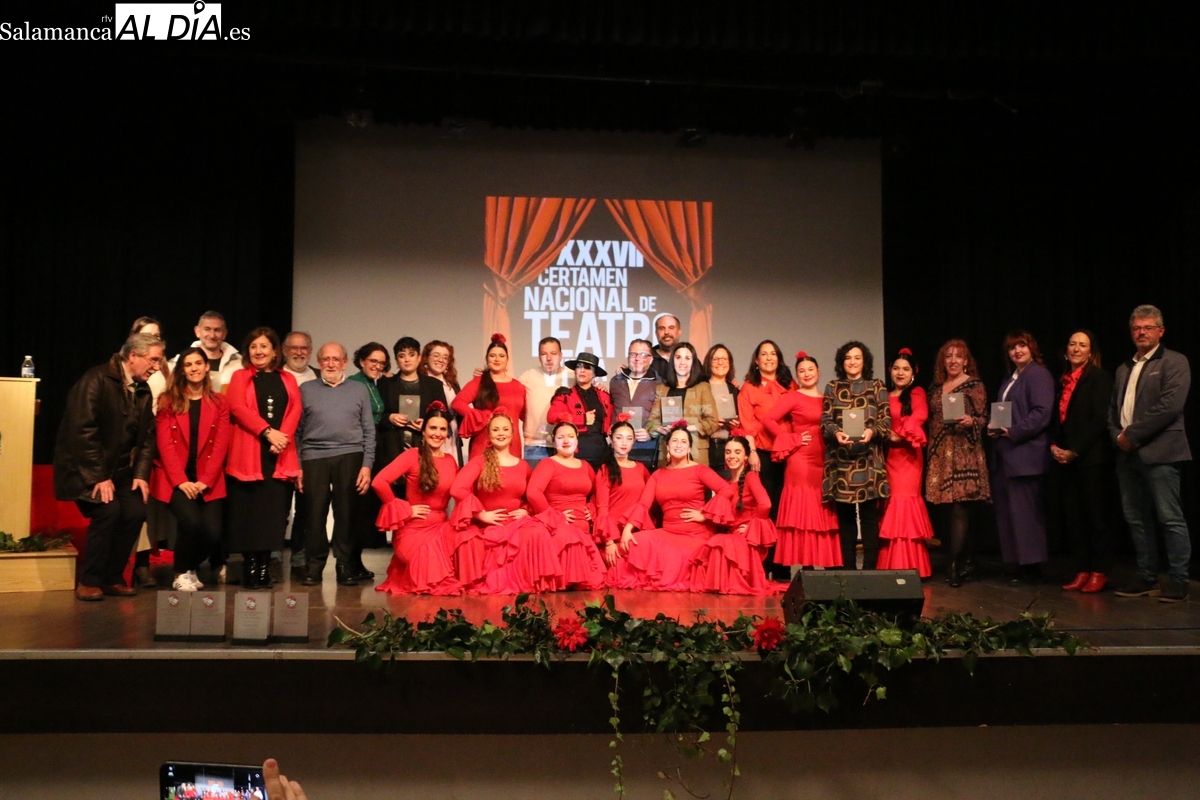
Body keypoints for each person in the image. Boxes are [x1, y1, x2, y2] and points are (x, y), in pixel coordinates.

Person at [55, 332, 165, 601]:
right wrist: (98, 477)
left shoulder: (142, 389)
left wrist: (140, 474)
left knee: (135, 511)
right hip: (85, 469)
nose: (157, 367)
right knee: (108, 510)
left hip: (120, 472)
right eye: (153, 360)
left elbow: (148, 436)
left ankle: (112, 577)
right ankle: (89, 580)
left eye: (159, 361)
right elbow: (82, 432)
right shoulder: (96, 380)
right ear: (133, 356)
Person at [1110, 305, 1192, 603]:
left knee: (1170, 518)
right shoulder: (1124, 368)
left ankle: (1179, 579)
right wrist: (1117, 436)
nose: (1141, 332)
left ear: (1160, 331)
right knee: (1136, 519)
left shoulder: (1174, 362)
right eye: (1136, 328)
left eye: (1147, 327)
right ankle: (1147, 577)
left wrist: (1131, 436)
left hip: (1161, 453)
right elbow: (1114, 411)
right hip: (1127, 455)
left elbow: (1169, 407)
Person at [448, 409, 560, 593]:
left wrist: (526, 510)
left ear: (512, 433)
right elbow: (457, 489)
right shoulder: (479, 461)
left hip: (516, 523)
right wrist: (481, 514)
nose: (501, 433)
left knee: (538, 533)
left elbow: (529, 496)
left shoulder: (523, 465)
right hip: (490, 525)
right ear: (489, 434)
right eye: (496, 429)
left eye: (505, 429)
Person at [618, 421, 737, 590]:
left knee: (677, 558)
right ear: (667, 446)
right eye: (674, 441)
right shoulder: (658, 474)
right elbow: (643, 504)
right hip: (668, 531)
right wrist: (627, 529)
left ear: (689, 448)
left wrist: (704, 514)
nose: (678, 445)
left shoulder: (699, 470)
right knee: (633, 543)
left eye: (683, 442)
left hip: (695, 533)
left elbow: (726, 490)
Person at [225, 327, 302, 590]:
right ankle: (251, 569)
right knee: (250, 517)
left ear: (274, 352)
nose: (258, 351)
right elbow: (237, 408)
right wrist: (268, 433)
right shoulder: (239, 377)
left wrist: (282, 438)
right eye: (253, 347)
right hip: (250, 454)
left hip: (279, 456)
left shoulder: (288, 379)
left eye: (264, 347)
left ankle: (264, 567)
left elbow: (295, 409)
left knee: (273, 516)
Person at [151, 347, 231, 591]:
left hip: (209, 479)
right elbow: (165, 445)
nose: (194, 368)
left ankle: (189, 566)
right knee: (192, 524)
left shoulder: (220, 403)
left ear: (207, 367)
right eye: (188, 364)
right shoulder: (168, 401)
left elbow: (220, 446)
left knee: (213, 535)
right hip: (175, 478)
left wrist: (205, 481)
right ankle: (179, 573)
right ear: (182, 370)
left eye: (198, 363)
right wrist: (181, 481)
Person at [297, 342, 376, 587]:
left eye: (336, 359)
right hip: (313, 457)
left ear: (344, 363)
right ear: (319, 362)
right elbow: (296, 432)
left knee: (346, 514)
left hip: (350, 455)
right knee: (314, 514)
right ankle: (314, 565)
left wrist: (367, 465)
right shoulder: (306, 389)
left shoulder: (359, 389)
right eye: (325, 359)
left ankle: (344, 565)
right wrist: (298, 465)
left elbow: (368, 430)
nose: (330, 364)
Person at [371, 402, 462, 595]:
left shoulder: (450, 460)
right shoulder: (412, 455)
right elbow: (379, 482)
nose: (437, 433)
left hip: (441, 529)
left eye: (442, 429)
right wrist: (406, 510)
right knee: (431, 564)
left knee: (470, 545)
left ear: (447, 434)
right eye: (433, 428)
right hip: (413, 531)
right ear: (424, 429)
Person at [762, 352, 841, 569]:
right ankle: (806, 568)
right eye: (801, 371)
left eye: (810, 370)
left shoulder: (829, 397)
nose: (806, 374)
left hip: (825, 462)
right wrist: (790, 438)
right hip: (801, 460)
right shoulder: (793, 396)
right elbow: (767, 419)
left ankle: (823, 565)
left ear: (818, 372)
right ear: (797, 375)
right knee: (804, 513)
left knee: (821, 513)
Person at [988, 330, 1055, 585]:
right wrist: (994, 427)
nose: (1017, 351)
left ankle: (1032, 565)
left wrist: (1013, 431)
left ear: (1032, 347)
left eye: (1022, 346)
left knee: (1026, 515)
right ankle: (1015, 562)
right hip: (1006, 454)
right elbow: (1003, 411)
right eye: (1012, 348)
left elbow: (1041, 413)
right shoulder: (1010, 377)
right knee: (1008, 514)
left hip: (1025, 454)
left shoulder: (1038, 374)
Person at [1052, 330, 1115, 593]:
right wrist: (1055, 445)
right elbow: (1061, 418)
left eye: (1082, 345)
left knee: (1094, 517)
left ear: (1091, 351)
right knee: (1074, 518)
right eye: (1072, 344)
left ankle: (1099, 571)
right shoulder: (1064, 379)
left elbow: (1098, 420)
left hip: (1090, 459)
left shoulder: (1098, 377)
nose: (1076, 349)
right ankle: (1082, 570)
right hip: (1067, 460)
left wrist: (1075, 450)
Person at [925, 339, 990, 588]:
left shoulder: (973, 385)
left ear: (966, 361)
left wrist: (970, 421)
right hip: (941, 454)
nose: (953, 361)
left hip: (965, 451)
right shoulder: (935, 388)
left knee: (961, 509)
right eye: (948, 356)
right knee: (946, 510)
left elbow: (983, 418)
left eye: (958, 356)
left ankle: (954, 564)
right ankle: (966, 562)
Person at [822, 341, 890, 570]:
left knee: (869, 517)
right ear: (842, 362)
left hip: (869, 460)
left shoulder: (876, 386)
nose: (852, 362)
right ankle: (849, 570)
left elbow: (886, 420)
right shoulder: (832, 387)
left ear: (865, 361)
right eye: (848, 357)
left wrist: (872, 431)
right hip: (841, 461)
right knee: (847, 519)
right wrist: (836, 432)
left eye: (857, 357)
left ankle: (870, 569)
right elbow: (825, 421)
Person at [688, 436, 781, 594]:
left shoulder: (751, 477)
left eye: (737, 452)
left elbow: (765, 504)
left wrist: (752, 527)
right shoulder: (726, 482)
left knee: (719, 541)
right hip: (733, 537)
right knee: (711, 542)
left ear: (745, 456)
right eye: (728, 452)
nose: (732, 456)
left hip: (748, 538)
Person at [525, 421, 608, 589]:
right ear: (553, 440)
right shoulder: (548, 464)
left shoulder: (585, 466)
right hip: (557, 527)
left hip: (583, 528)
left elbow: (596, 493)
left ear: (577, 440)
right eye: (560, 437)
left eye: (570, 436)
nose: (566, 441)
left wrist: (592, 509)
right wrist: (555, 516)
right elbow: (533, 493)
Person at [876, 349, 935, 577]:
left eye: (906, 369)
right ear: (890, 370)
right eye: (896, 368)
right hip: (886, 457)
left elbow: (919, 415)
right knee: (889, 505)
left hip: (908, 457)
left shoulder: (916, 393)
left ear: (913, 373)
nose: (900, 373)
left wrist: (899, 434)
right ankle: (890, 565)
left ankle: (909, 566)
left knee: (904, 504)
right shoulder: (883, 394)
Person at [129, 316, 171, 587]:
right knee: (137, 504)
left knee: (154, 508)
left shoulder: (167, 370)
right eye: (147, 335)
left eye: (157, 335)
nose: (153, 340)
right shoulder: (130, 370)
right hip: (135, 443)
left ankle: (150, 558)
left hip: (160, 443)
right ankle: (139, 565)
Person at [347, 341, 391, 563]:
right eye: (373, 361)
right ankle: (349, 561)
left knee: (366, 508)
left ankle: (356, 561)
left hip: (374, 448)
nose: (377, 366)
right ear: (362, 360)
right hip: (358, 447)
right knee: (356, 507)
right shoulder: (354, 384)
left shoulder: (374, 383)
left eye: (381, 363)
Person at [453, 333, 527, 460]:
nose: (497, 359)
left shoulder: (518, 386)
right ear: (487, 359)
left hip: (512, 444)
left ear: (507, 359)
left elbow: (525, 415)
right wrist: (480, 418)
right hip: (484, 443)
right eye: (492, 356)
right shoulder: (479, 382)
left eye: (501, 356)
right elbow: (457, 403)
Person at [379, 337, 449, 468]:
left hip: (423, 444)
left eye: (411, 355)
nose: (407, 360)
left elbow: (445, 415)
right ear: (396, 360)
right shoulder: (385, 384)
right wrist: (389, 418)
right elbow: (376, 415)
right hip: (392, 447)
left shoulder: (433, 385)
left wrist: (427, 422)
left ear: (419, 357)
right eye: (401, 356)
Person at [281, 331, 318, 576]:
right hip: (280, 449)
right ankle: (273, 556)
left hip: (309, 451)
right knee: (279, 507)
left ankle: (299, 558)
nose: (298, 352)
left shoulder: (317, 376)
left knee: (306, 507)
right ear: (284, 351)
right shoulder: (276, 376)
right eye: (293, 348)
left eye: (303, 347)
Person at [646, 342, 720, 467]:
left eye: (687, 358)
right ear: (672, 361)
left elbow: (712, 422)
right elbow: (651, 423)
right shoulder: (662, 389)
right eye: (678, 357)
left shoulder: (702, 388)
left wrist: (684, 429)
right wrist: (661, 429)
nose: (682, 362)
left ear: (693, 362)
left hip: (695, 454)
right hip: (667, 455)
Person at [597, 416, 651, 582]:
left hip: (636, 531)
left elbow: (647, 501)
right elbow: (603, 507)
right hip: (614, 534)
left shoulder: (641, 469)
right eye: (619, 438)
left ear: (634, 441)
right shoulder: (605, 469)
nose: (624, 443)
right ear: (611, 440)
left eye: (629, 438)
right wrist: (609, 542)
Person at [548, 350, 613, 467]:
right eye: (579, 366)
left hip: (601, 449)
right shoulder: (565, 394)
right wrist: (582, 419)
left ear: (594, 374)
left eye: (587, 367)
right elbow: (551, 417)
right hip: (577, 448)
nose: (582, 370)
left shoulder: (604, 395)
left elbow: (612, 418)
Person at [517, 336, 573, 468]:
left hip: (564, 446)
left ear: (561, 356)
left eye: (553, 353)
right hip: (535, 446)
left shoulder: (572, 377)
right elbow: (507, 390)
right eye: (544, 354)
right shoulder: (528, 376)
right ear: (538, 357)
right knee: (533, 487)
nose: (548, 358)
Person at [608, 338, 663, 470]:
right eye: (633, 354)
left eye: (643, 354)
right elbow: (610, 409)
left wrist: (651, 433)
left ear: (651, 359)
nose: (637, 358)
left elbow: (663, 415)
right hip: (618, 447)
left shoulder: (660, 384)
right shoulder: (615, 381)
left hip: (645, 446)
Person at [169, 311, 242, 392]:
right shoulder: (178, 363)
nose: (212, 335)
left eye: (217, 330)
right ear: (197, 331)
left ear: (224, 334)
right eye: (207, 329)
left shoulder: (239, 364)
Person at [419, 340, 463, 463]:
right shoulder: (418, 380)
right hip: (430, 436)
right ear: (426, 358)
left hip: (451, 437)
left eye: (445, 357)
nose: (441, 360)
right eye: (436, 355)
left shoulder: (452, 383)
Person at [703, 343, 741, 471]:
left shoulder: (734, 389)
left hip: (729, 449)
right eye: (715, 359)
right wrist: (711, 424)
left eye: (724, 359)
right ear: (709, 363)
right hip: (706, 447)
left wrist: (736, 424)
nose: (720, 362)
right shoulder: (701, 387)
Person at [650, 313, 682, 382]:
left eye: (671, 328)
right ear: (656, 334)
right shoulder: (646, 359)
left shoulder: (690, 359)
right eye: (661, 328)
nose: (666, 332)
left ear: (679, 332)